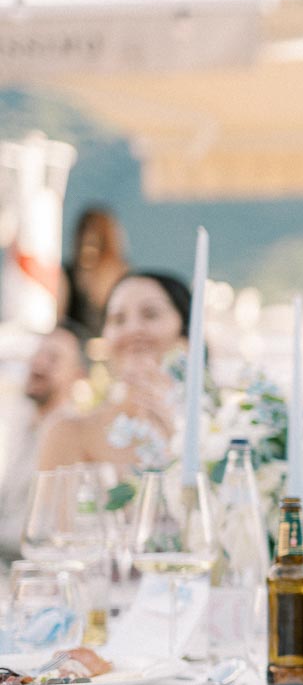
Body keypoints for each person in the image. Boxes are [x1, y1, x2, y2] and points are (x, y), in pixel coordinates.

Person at [37, 270, 190, 472]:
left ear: (186, 332)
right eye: (118, 319)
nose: (133, 329)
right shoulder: (68, 432)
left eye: (150, 314)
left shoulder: (219, 434)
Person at [0, 322, 89, 574]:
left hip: (32, 578)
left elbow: (52, 534)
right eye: (37, 354)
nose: (38, 364)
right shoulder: (17, 424)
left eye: (53, 358)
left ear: (77, 375)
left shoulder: (74, 439)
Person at [61, 206, 130, 334]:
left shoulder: (123, 274)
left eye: (94, 244)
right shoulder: (68, 274)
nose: (88, 248)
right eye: (84, 241)